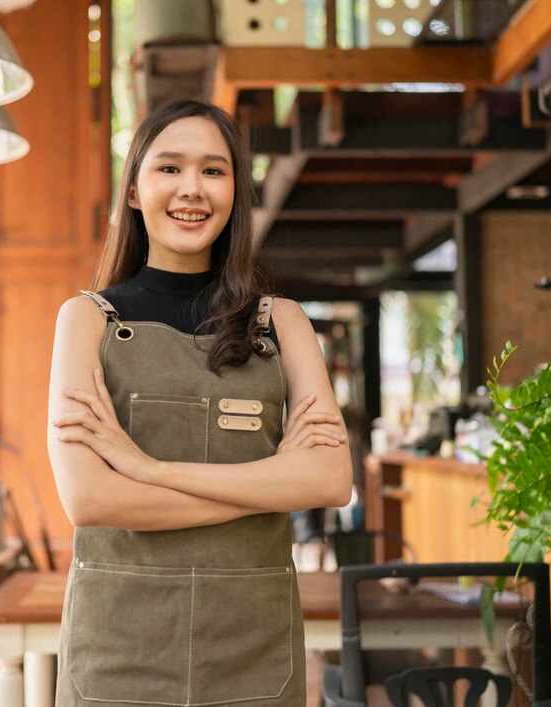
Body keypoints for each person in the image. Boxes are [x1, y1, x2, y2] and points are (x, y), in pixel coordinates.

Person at [47, 98, 352, 706]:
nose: (192, 188)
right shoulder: (85, 320)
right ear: (134, 190)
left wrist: (147, 470)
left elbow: (330, 480)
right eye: (169, 168)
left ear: (236, 192)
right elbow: (90, 498)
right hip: (119, 646)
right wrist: (270, 482)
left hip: (252, 641)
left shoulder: (282, 322)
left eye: (214, 170)